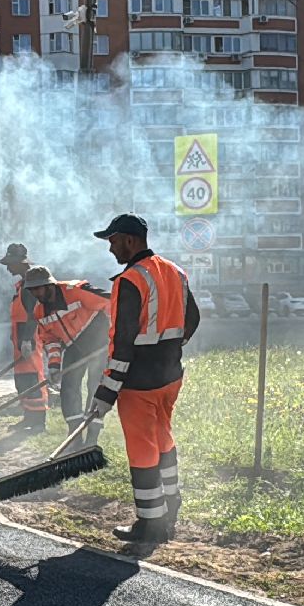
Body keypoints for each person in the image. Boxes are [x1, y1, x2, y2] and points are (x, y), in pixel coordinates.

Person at [83, 215, 199, 545]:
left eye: (114, 240)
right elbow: (194, 319)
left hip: (139, 383)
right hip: (170, 377)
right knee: (163, 438)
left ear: (131, 240)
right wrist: (170, 348)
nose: (110, 247)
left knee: (142, 449)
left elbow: (122, 343)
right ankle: (170, 505)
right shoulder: (177, 272)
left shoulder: (130, 281)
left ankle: (150, 524)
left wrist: (105, 393)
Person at [23, 266, 112, 448]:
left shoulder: (77, 291)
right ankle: (74, 436)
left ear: (50, 285)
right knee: (69, 389)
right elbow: (50, 339)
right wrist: (54, 366)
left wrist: (116, 335)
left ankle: (92, 437)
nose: (35, 293)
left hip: (98, 342)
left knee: (96, 387)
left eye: (38, 288)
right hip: (73, 346)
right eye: (31, 290)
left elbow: (112, 302)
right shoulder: (40, 311)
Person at [0, 243, 49, 432]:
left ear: (20, 263)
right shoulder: (22, 284)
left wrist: (27, 340)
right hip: (20, 340)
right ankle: (29, 418)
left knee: (33, 378)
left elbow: (33, 315)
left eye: (10, 264)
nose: (8, 268)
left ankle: (38, 422)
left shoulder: (30, 285)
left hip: (29, 340)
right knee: (23, 380)